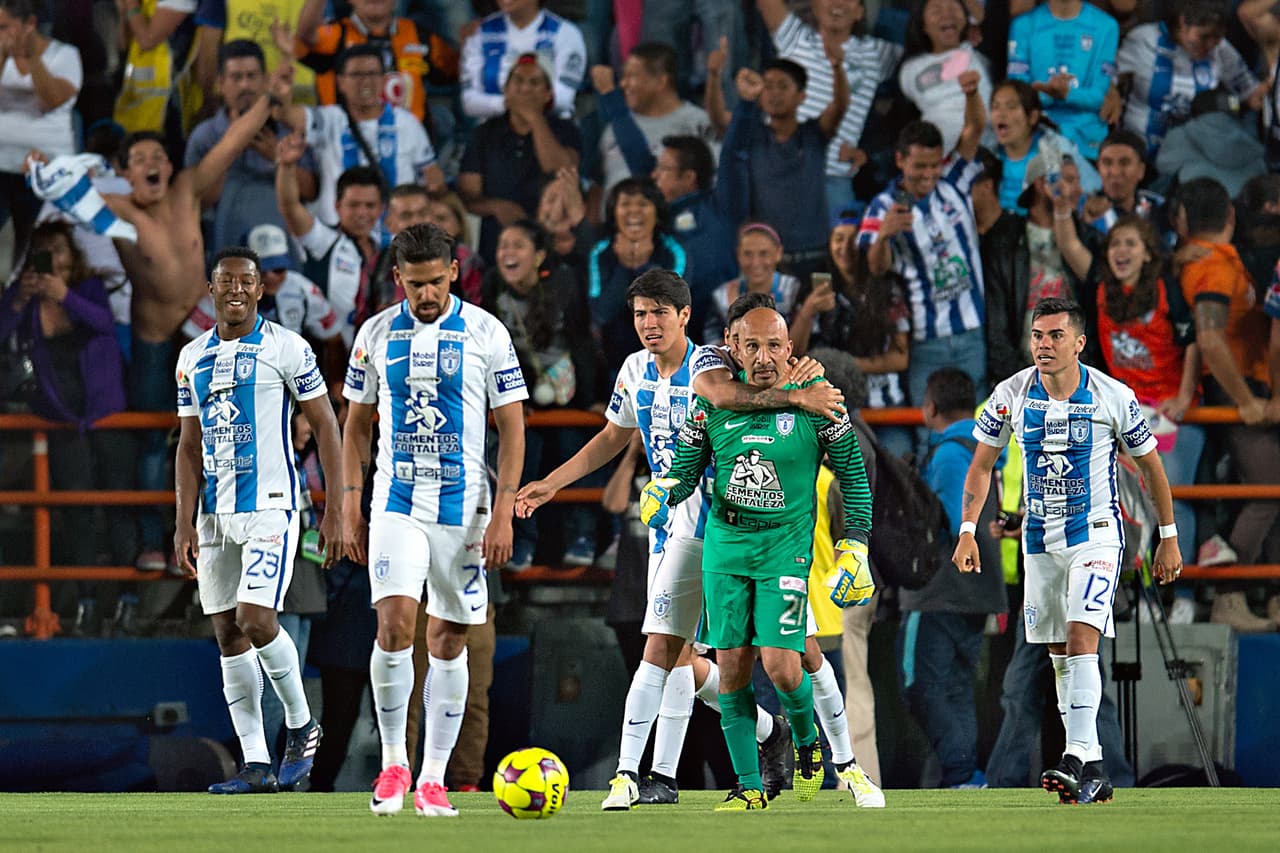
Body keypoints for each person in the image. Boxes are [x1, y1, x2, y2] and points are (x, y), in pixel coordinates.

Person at [516, 274, 814, 810]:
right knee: (680, 659)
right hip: (666, 529)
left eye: (659, 313)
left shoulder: (710, 365)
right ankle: (764, 735)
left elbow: (730, 395)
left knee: (681, 648)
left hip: (719, 528)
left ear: (684, 315)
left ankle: (636, 774)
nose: (649, 324)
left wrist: (802, 392)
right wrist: (554, 483)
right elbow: (612, 436)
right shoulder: (634, 370)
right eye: (640, 314)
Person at [641, 305, 876, 810]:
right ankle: (748, 786)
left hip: (784, 553)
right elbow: (685, 470)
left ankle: (807, 742)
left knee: (784, 667)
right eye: (752, 346)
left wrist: (855, 545)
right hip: (725, 550)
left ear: (790, 348)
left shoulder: (818, 400)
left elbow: (855, 478)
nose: (764, 357)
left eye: (774, 346)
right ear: (734, 348)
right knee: (731, 670)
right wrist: (663, 490)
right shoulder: (712, 402)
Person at [953, 296, 1182, 805]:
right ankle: (1095, 769)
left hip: (1095, 535)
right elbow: (981, 465)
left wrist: (1168, 537)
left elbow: (1151, 467)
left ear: (1079, 343)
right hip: (1039, 542)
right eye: (1038, 335)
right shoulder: (1010, 394)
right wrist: (967, 529)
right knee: (1059, 655)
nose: (1044, 344)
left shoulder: (1113, 396)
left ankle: (1074, 756)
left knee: (1082, 639)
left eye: (1056, 335)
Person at [342, 223, 527, 817]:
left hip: (464, 507)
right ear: (398, 277)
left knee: (449, 639)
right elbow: (355, 425)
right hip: (396, 500)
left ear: (453, 272)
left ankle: (434, 778)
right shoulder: (374, 334)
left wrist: (504, 512)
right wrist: (348, 503)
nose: (426, 294)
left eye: (435, 282)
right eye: (414, 283)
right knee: (395, 625)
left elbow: (513, 428)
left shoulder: (486, 332)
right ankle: (394, 763)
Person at [173, 246, 346, 794]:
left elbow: (326, 425)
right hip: (214, 514)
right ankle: (254, 764)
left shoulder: (287, 347)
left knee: (256, 619)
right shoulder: (191, 357)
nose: (236, 290)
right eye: (226, 281)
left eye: (246, 281)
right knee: (227, 633)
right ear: (211, 289)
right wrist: (183, 521)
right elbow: (188, 445)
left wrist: (337, 506)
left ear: (260, 289)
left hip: (272, 505)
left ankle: (302, 724)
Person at [0, 221, 134, 633]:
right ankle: (87, 603)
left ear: (73, 255)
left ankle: (127, 602)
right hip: (60, 417)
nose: (51, 260)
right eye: (42, 252)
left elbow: (105, 324)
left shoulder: (88, 287)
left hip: (106, 412)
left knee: (120, 505)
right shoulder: (24, 297)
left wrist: (65, 296)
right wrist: (19, 301)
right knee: (76, 513)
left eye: (58, 250)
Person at [1175, 178, 1279, 633]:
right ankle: (1228, 595)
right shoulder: (1212, 267)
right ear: (1231, 216)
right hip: (1235, 391)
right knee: (1269, 487)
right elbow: (1210, 339)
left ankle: (1270, 595)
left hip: (1243, 387)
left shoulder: (1216, 260)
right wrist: (1246, 400)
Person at [902, 367, 1007, 789]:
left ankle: (961, 771)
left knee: (919, 684)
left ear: (930, 407)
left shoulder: (947, 454)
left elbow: (948, 523)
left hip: (940, 592)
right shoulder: (983, 447)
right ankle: (965, 778)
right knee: (958, 688)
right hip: (978, 590)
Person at [481, 220, 601, 568]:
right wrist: (509, 400)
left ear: (539, 256)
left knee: (573, 448)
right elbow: (491, 352)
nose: (508, 253)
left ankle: (583, 537)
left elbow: (581, 340)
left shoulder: (563, 283)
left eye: (518, 245)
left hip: (570, 392)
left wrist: (593, 398)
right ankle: (521, 543)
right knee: (522, 454)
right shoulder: (492, 286)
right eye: (503, 245)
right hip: (521, 395)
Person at [860, 118, 987, 415]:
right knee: (928, 425)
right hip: (925, 341)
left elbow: (975, 128)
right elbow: (876, 268)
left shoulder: (953, 184)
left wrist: (971, 96)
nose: (928, 174)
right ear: (900, 160)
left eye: (934, 165)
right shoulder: (883, 206)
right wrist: (884, 236)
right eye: (919, 166)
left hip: (972, 332)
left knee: (979, 425)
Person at [756, 0, 903, 221]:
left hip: (834, 179)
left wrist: (870, 152)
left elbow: (928, 69)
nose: (837, 2)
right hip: (780, 171)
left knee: (843, 244)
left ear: (860, 11)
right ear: (814, 6)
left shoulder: (877, 54)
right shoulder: (796, 38)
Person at [186, 39, 317, 267]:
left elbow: (311, 191)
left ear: (265, 80)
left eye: (251, 76)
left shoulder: (288, 129)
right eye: (236, 77)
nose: (245, 85)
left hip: (284, 256)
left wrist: (275, 156)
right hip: (225, 251)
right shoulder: (205, 136)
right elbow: (193, 202)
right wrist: (229, 151)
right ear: (221, 83)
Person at [722, 57, 846, 283]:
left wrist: (837, 66)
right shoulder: (752, 136)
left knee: (822, 304)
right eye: (768, 86)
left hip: (817, 256)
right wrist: (721, 82)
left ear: (801, 96)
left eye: (783, 86)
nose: (774, 94)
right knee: (768, 308)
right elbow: (726, 135)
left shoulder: (814, 135)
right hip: (769, 261)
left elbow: (839, 107)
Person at [457, 51, 582, 263]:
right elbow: (467, 195)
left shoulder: (565, 130)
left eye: (534, 83)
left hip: (551, 240)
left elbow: (561, 171)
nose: (525, 89)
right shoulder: (484, 133)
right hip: (497, 244)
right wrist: (496, 206)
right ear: (506, 90)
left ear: (548, 94)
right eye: (518, 81)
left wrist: (534, 118)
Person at [277, 133, 385, 347]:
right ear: (337, 206)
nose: (362, 213)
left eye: (370, 206)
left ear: (381, 209)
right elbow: (290, 207)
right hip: (328, 354)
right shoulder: (324, 241)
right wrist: (287, 166)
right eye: (354, 205)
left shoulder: (386, 249)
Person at [1116, 2, 1264, 156]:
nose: (1210, 45)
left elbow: (1249, 91)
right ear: (1183, 22)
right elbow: (1110, 80)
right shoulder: (1143, 40)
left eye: (1217, 38)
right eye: (1204, 36)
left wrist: (1261, 94)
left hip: (1192, 155)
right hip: (1138, 151)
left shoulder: (1221, 49)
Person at [0, 0, 82, 265]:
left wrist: (31, 57)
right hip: (1, 165)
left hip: (47, 168)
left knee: (39, 248)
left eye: (4, 27)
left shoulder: (65, 55)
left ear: (30, 24)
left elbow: (51, 101)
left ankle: (39, 289)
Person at [590, 42, 716, 200]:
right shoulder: (615, 127)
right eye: (623, 76)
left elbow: (646, 173)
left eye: (632, 76)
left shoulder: (697, 123)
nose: (623, 84)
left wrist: (611, 98)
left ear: (661, 81)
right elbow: (598, 185)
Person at [587, 177, 687, 374]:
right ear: (614, 213)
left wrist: (643, 267)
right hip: (617, 365)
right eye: (625, 204)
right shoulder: (601, 252)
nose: (634, 211)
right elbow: (601, 313)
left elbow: (672, 311)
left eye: (643, 204)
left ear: (657, 213)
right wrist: (624, 267)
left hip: (670, 364)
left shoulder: (675, 251)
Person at [1007, 0, 1119, 162]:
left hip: (1087, 144)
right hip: (1037, 140)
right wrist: (1051, 94)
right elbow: (1017, 96)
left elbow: (1099, 97)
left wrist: (1067, 94)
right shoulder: (1023, 26)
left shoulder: (1107, 26)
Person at [459, 0, 586, 121]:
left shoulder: (565, 33)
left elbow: (564, 98)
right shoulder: (480, 33)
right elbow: (469, 102)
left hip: (551, 128)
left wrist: (518, 104)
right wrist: (507, 104)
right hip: (492, 131)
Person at [988, 79, 1100, 214]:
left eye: (1011, 107)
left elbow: (1092, 194)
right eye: (995, 107)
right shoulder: (989, 153)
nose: (1001, 114)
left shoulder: (1057, 150)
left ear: (1032, 117)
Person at [898, 0, 994, 156]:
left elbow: (990, 23)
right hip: (934, 158)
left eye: (953, 8)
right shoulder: (910, 70)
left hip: (982, 153)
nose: (947, 14)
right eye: (936, 11)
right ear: (923, 25)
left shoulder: (979, 55)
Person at [703, 223, 801, 345]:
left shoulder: (794, 290)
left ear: (778, 253)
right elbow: (711, 346)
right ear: (738, 255)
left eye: (764, 253)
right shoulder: (722, 296)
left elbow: (803, 345)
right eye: (747, 254)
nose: (755, 263)